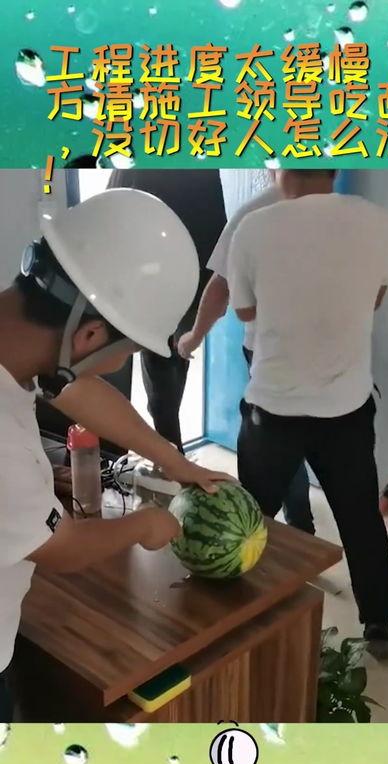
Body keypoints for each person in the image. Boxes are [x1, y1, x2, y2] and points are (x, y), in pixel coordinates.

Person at [0, 187, 232, 721]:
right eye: (123, 353)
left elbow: (77, 389)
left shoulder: (14, 345)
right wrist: (143, 526)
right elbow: (60, 547)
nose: (117, 367)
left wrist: (172, 459)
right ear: (88, 334)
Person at [227, 169, 388, 660]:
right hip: (346, 404)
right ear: (334, 168)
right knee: (360, 514)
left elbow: (244, 312)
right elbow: (377, 296)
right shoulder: (376, 220)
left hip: (274, 407)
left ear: (279, 168)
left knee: (250, 520)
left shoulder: (254, 226)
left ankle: (236, 617)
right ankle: (378, 622)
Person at [177, 175, 315, 535]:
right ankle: (298, 526)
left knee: (264, 442)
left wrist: (193, 337)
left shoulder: (255, 213)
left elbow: (220, 288)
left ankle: (263, 524)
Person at [107, 169, 227, 452]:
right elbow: (216, 226)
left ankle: (165, 458)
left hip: (152, 283)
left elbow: (112, 208)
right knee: (168, 374)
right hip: (187, 282)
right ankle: (169, 455)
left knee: (154, 378)